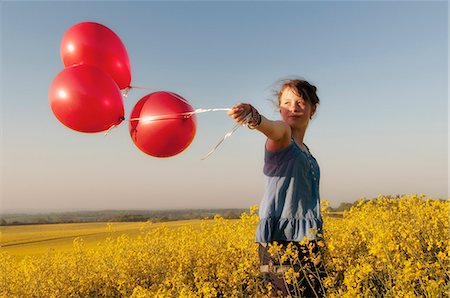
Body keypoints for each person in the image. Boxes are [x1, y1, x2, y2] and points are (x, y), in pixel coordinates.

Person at [228, 78, 325, 297]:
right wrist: (253, 117)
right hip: (278, 241)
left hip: (308, 240)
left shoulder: (306, 150)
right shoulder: (282, 136)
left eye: (300, 102)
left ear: (312, 109)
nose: (293, 108)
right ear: (280, 108)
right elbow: (270, 127)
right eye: (287, 102)